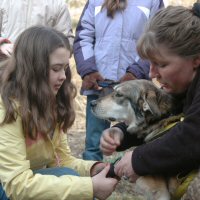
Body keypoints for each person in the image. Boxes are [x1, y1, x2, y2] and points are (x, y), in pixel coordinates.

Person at [0, 26, 118, 200]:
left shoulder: (51, 103)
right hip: (8, 185)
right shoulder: (6, 108)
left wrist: (94, 169)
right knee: (72, 182)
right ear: (33, 69)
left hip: (23, 182)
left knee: (69, 177)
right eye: (56, 69)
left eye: (65, 68)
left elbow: (61, 160)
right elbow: (16, 184)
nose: (63, 76)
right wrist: (89, 187)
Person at [100, 2, 200, 199]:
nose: (152, 74)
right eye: (150, 64)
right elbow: (163, 114)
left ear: (196, 59)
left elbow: (193, 135)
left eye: (161, 64)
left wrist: (139, 160)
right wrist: (122, 132)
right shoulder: (187, 86)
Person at [73, 0, 164, 161]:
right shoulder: (95, 2)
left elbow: (156, 39)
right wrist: (89, 70)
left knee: (145, 138)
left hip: (136, 92)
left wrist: (136, 72)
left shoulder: (152, 2)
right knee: (95, 144)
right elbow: (83, 37)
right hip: (100, 86)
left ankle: (141, 173)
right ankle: (92, 181)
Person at [0, 0, 74, 58]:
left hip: (41, 71)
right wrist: (1, 44)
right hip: (6, 69)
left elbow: (67, 43)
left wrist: (47, 54)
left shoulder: (58, 4)